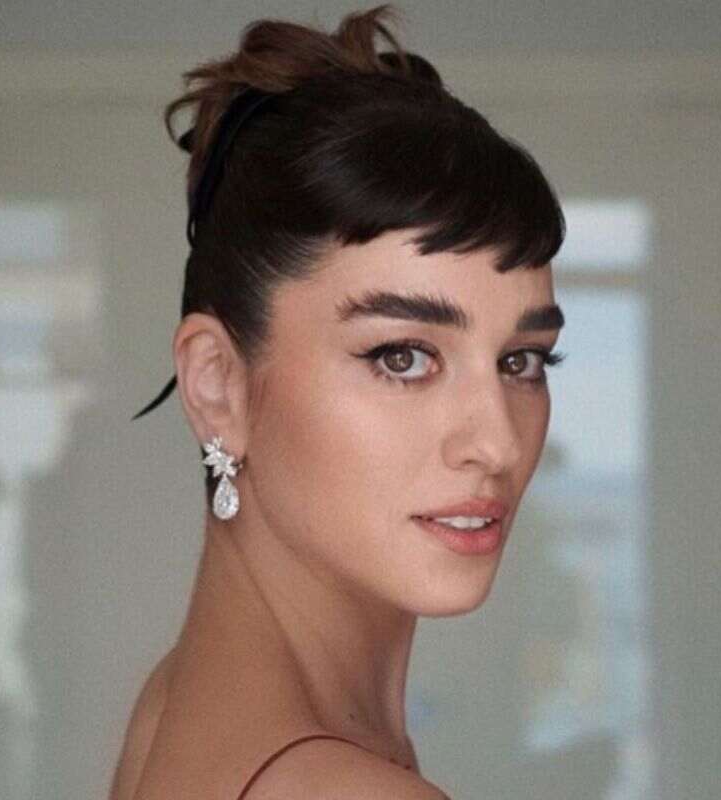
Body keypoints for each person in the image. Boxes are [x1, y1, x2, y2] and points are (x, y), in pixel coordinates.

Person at [107, 5, 566, 798]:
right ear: (217, 385)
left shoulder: (176, 705)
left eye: (520, 361)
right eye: (402, 357)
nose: (496, 443)